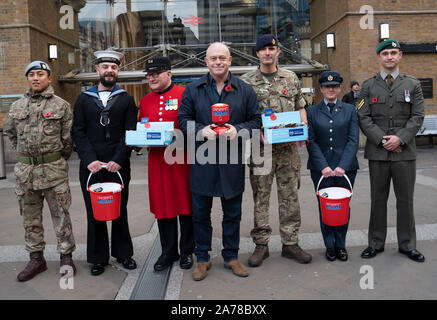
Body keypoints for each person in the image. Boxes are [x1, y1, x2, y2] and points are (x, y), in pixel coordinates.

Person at [178, 42, 261, 281]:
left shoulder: (244, 89)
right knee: (200, 214)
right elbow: (182, 120)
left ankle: (231, 256)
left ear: (230, 61)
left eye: (222, 58)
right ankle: (202, 258)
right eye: (213, 58)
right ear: (206, 61)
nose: (218, 62)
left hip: (231, 161)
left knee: (232, 213)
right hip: (202, 161)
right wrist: (201, 131)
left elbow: (256, 121)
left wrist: (238, 129)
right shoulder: (193, 89)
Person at [240, 34, 312, 267]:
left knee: (289, 196)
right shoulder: (246, 81)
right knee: (261, 196)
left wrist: (304, 125)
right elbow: (243, 114)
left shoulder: (290, 77)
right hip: (261, 150)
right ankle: (261, 244)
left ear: (278, 51)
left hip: (288, 149)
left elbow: (300, 106)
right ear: (257, 53)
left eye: (271, 48)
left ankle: (290, 243)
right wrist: (257, 129)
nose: (267, 53)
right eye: (263, 49)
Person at [5, 61, 76, 281]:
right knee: (30, 218)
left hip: (54, 171)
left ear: (49, 78)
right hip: (26, 173)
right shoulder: (17, 107)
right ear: (27, 78)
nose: (36, 78)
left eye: (40, 74)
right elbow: (11, 134)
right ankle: (36, 258)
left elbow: (67, 140)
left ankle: (66, 257)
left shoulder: (61, 106)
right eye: (32, 75)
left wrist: (52, 159)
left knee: (61, 216)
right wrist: (28, 158)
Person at [357, 39, 425, 262]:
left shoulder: (412, 84)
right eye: (385, 53)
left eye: (393, 53)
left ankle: (407, 244)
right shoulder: (367, 86)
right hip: (378, 153)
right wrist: (382, 140)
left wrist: (400, 139)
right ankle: (376, 243)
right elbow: (363, 117)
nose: (389, 57)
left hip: (404, 153)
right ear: (379, 57)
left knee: (405, 201)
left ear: (400, 56)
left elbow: (417, 116)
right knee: (378, 200)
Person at [72, 50, 138, 275]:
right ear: (97, 70)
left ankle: (123, 254)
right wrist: (89, 159)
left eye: (114, 68)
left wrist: (119, 159)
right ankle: (98, 258)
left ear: (118, 71)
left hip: (118, 166)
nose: (109, 71)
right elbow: (78, 132)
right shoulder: (83, 99)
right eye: (105, 67)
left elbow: (131, 131)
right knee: (94, 211)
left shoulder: (127, 99)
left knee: (120, 209)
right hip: (91, 166)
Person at [139, 57, 194, 271]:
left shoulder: (184, 94)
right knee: (163, 207)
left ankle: (187, 250)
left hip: (181, 160)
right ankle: (168, 251)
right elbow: (142, 128)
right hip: (157, 163)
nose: (152, 78)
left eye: (156, 74)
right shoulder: (145, 101)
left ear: (169, 74)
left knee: (185, 206)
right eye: (149, 75)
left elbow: (193, 125)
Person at [307, 71, 359, 261]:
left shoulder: (350, 110)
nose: (331, 89)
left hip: (346, 169)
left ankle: (341, 245)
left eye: (335, 86)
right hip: (321, 170)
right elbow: (311, 141)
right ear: (321, 89)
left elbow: (353, 140)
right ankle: (329, 245)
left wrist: (343, 166)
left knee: (343, 207)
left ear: (339, 88)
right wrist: (323, 166)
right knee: (326, 207)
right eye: (327, 87)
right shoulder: (311, 111)